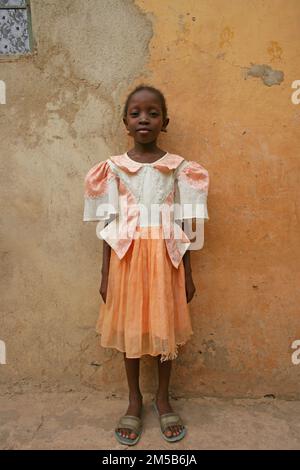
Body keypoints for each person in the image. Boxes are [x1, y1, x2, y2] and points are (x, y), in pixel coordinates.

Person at [83, 84, 209, 445]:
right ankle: (134, 399)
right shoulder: (112, 170)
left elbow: (185, 226)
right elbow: (109, 226)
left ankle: (163, 397)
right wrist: (105, 274)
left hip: (166, 259)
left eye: (153, 113)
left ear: (164, 122)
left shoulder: (179, 170)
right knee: (131, 331)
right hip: (127, 260)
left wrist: (188, 273)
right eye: (136, 113)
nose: (144, 119)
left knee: (165, 328)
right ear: (125, 122)